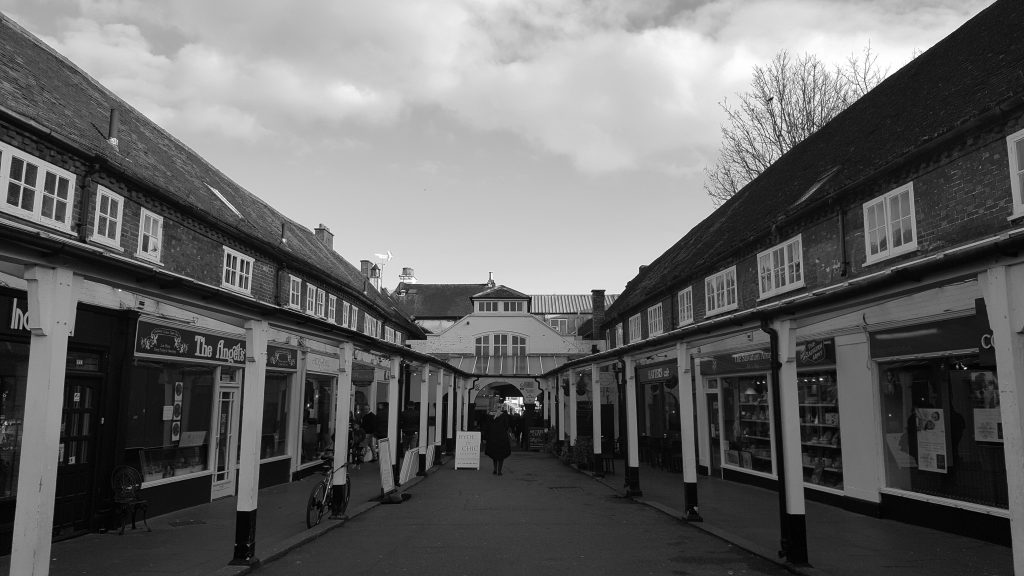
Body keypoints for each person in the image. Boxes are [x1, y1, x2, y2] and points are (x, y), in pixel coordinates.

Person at [485, 409, 512, 475]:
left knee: (494, 454)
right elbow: (506, 426)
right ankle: (499, 471)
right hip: (502, 437)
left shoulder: (489, 416)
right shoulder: (504, 416)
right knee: (501, 455)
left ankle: (494, 469)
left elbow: (487, 427)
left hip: (492, 437)